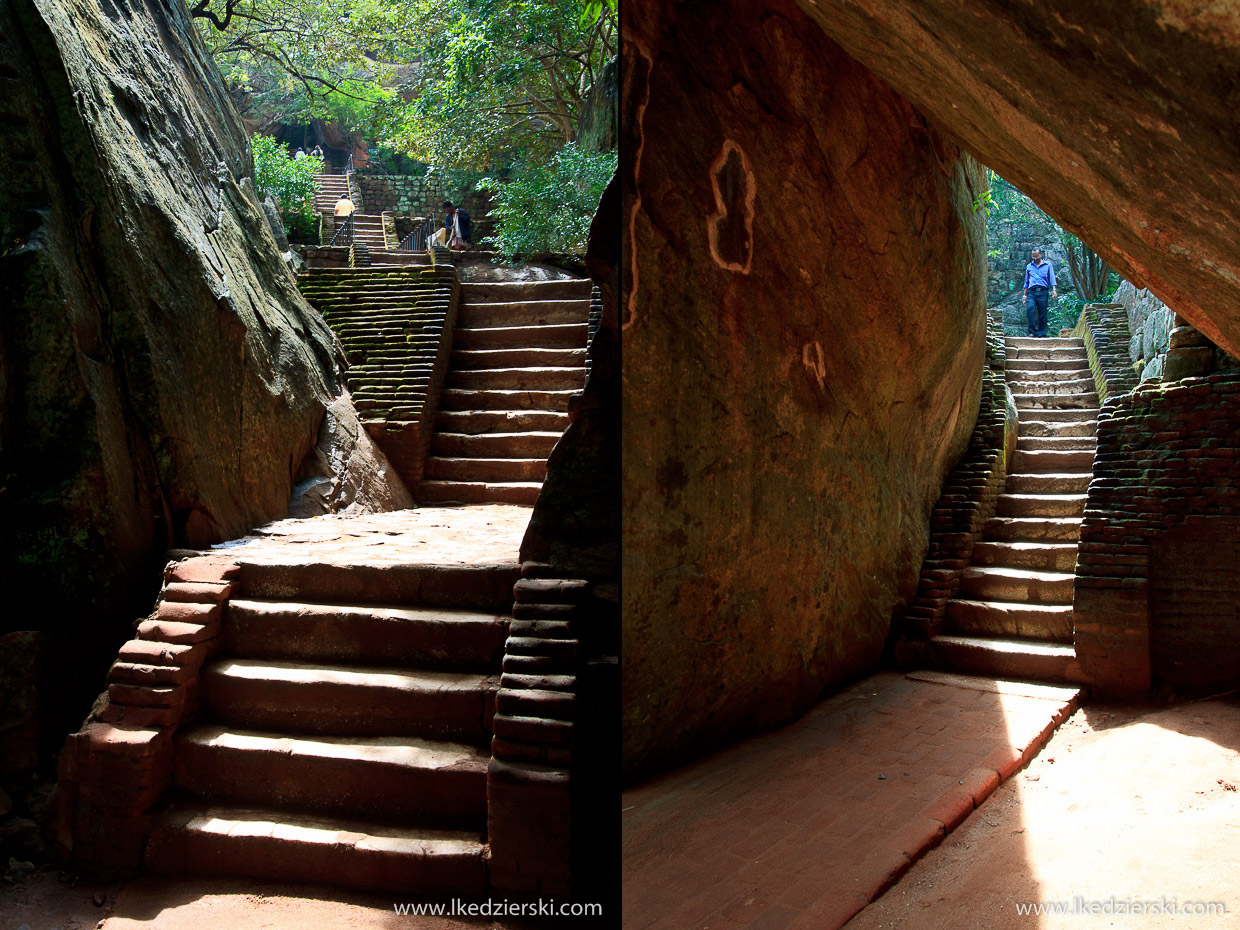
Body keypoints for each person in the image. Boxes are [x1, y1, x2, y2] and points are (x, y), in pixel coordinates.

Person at [1022, 246, 1058, 337]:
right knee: (1030, 309)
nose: (1035, 258)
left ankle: (1042, 333)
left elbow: (1052, 278)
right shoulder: (1029, 266)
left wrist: (1054, 290)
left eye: (1036, 256)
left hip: (1043, 291)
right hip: (1032, 292)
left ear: (1041, 254)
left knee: (1042, 313)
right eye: (1033, 256)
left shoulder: (1048, 265)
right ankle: (1032, 332)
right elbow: (1026, 281)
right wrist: (1024, 295)